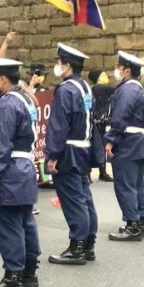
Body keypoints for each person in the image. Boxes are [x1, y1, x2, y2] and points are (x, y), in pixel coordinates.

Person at [0, 59, 41, 287]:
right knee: (25, 221)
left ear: (2, 79)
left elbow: (0, 145)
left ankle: (13, 277)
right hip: (25, 165)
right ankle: (29, 272)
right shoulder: (25, 99)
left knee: (8, 225)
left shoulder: (5, 105)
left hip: (10, 169)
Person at [43, 44, 101, 265]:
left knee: (74, 201)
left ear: (66, 65)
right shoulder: (84, 87)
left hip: (68, 151)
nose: (57, 66)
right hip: (83, 149)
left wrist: (53, 155)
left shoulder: (66, 90)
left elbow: (59, 125)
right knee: (84, 198)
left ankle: (77, 245)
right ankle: (88, 243)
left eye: (59, 62)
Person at [106, 51, 144, 242]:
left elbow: (120, 117)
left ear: (127, 70)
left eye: (119, 68)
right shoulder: (139, 88)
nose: (117, 71)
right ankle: (139, 221)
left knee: (125, 184)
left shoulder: (127, 90)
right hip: (138, 141)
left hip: (128, 142)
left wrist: (111, 139)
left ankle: (132, 224)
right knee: (136, 185)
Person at [89, 69, 114, 182]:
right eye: (102, 75)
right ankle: (88, 172)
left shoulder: (104, 90)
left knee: (102, 147)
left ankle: (102, 172)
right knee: (93, 147)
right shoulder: (97, 88)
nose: (106, 76)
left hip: (103, 122)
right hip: (96, 122)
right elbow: (114, 89)